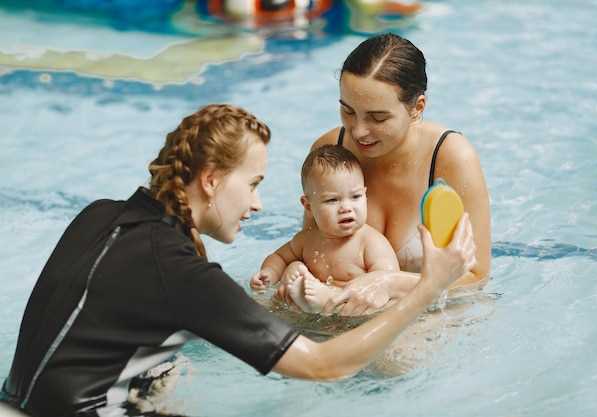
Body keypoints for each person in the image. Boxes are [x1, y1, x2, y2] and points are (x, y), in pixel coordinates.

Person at [0, 104, 476, 417]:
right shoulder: (181, 274)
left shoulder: (100, 215)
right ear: (210, 180)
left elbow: (84, 344)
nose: (257, 205)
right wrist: (426, 289)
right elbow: (325, 366)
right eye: (252, 185)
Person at [307, 33, 492, 315]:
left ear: (417, 108)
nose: (358, 131)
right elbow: (307, 248)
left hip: (425, 317)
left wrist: (391, 283)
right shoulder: (330, 151)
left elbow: (476, 277)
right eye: (348, 111)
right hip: (338, 311)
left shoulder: (450, 157)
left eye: (378, 118)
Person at [250, 145, 399, 313]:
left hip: (356, 315)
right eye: (332, 200)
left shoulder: (371, 243)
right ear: (308, 205)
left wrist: (333, 295)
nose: (346, 207)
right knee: (294, 268)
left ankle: (327, 299)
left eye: (356, 196)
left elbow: (389, 284)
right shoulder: (307, 240)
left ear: (365, 195)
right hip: (315, 315)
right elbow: (279, 257)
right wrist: (269, 273)